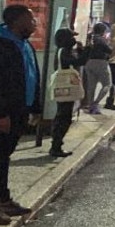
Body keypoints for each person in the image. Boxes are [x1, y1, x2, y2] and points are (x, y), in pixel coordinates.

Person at [0, 5, 41, 225]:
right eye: (30, 19)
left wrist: (35, 108)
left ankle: (3, 199)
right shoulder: (0, 45)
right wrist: (0, 114)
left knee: (3, 158)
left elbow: (32, 75)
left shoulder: (23, 44)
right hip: (5, 114)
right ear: (17, 21)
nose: (34, 23)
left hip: (20, 109)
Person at [49, 27, 87, 158]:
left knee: (63, 116)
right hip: (64, 89)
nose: (74, 40)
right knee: (63, 118)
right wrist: (85, 52)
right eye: (71, 37)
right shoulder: (63, 51)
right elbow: (77, 62)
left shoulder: (64, 50)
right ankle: (56, 146)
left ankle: (57, 145)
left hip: (65, 89)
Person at [82, 22, 112, 114]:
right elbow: (109, 50)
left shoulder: (89, 38)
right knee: (107, 84)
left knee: (91, 86)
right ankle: (95, 103)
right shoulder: (100, 40)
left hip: (88, 63)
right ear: (103, 31)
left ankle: (91, 105)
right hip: (100, 62)